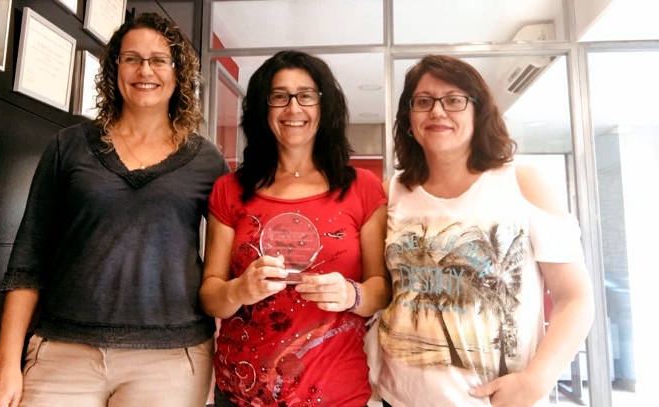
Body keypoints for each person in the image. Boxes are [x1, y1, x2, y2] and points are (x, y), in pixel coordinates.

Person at [0, 12, 228, 407]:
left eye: (159, 60)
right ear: (115, 68)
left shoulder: (207, 160)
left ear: (178, 72)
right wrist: (5, 362)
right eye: (132, 58)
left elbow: (222, 270)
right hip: (64, 350)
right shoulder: (68, 146)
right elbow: (28, 258)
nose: (144, 70)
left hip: (171, 359)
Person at [376, 55, 594, 407]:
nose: (437, 111)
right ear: (409, 118)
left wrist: (536, 380)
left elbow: (575, 298)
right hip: (398, 398)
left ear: (478, 112)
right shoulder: (393, 191)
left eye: (454, 100)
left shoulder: (523, 182)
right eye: (423, 101)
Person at [199, 50, 391, 406]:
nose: (293, 108)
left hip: (335, 393)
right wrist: (240, 290)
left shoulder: (362, 188)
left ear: (324, 106)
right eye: (279, 96)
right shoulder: (230, 189)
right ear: (262, 108)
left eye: (306, 96)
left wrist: (352, 295)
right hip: (242, 393)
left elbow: (381, 287)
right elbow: (211, 294)